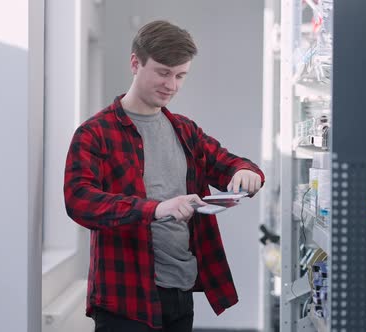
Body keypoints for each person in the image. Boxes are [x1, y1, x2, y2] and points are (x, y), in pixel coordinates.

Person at [64, 20, 265, 332]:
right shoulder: (95, 133)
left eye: (180, 75)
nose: (171, 85)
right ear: (135, 63)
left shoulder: (185, 130)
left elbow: (230, 163)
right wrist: (155, 209)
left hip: (180, 290)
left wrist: (246, 172)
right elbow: (79, 201)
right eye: (163, 72)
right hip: (125, 298)